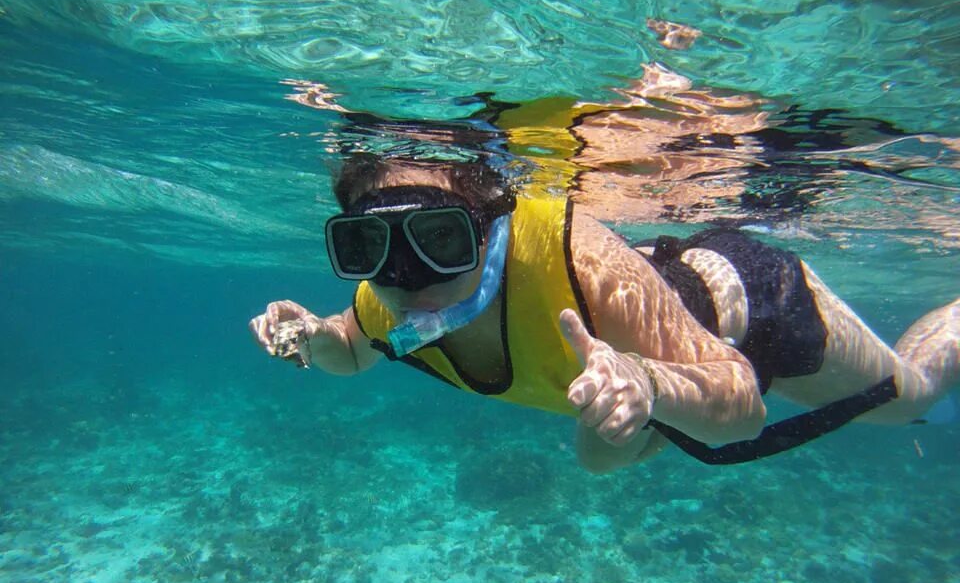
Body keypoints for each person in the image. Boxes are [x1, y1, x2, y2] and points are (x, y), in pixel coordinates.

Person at [251, 77, 959, 474]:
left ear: (489, 225)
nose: (405, 274)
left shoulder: (569, 253)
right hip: (640, 354)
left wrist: (647, 380)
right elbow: (352, 346)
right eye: (368, 247)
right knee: (600, 460)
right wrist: (314, 338)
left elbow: (740, 402)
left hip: (750, 306)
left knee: (909, 398)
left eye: (439, 238)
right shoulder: (385, 298)